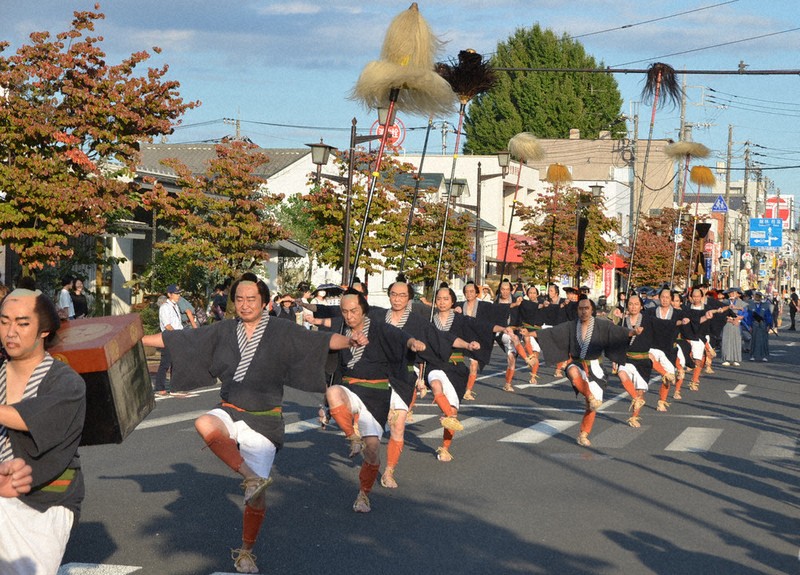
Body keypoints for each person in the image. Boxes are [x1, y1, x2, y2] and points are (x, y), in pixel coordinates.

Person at [142, 276, 363, 574]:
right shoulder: (224, 329)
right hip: (230, 409)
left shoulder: (281, 329)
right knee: (204, 422)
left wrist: (348, 340)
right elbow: (184, 339)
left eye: (251, 299)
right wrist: (137, 339)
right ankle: (250, 476)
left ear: (265, 302)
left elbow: (319, 342)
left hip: (265, 419)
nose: (245, 305)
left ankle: (246, 551)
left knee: (256, 500)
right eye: (239, 299)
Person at [0, 288, 87, 574]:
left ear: (44, 330)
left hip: (47, 502)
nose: (10, 332)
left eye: (22, 323)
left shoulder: (67, 383)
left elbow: (25, 418)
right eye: (4, 321)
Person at [324, 290, 425, 513]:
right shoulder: (340, 332)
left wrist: (412, 343)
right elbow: (332, 369)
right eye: (344, 311)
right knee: (332, 392)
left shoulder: (379, 328)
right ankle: (352, 438)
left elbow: (401, 337)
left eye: (354, 311)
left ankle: (363, 495)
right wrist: (326, 408)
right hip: (350, 388)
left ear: (364, 310)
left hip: (376, 395)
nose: (349, 316)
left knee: (371, 450)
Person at [537, 296, 638, 447]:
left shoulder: (602, 325)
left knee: (592, 407)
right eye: (581, 308)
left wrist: (633, 332)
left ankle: (583, 434)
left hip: (595, 366)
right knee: (573, 372)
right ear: (577, 310)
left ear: (592, 310)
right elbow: (553, 332)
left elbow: (617, 332)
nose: (583, 311)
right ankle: (589, 396)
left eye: (586, 308)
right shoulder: (571, 326)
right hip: (577, 362)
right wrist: (531, 334)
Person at [154, 284, 184, 397]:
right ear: (169, 294)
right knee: (165, 363)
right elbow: (167, 325)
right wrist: (176, 335)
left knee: (176, 363)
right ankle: (160, 387)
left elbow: (177, 323)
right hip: (169, 337)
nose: (178, 295)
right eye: (176, 294)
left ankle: (174, 387)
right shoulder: (165, 307)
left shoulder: (175, 306)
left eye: (179, 293)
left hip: (177, 336)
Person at [744, 291, 772, 362]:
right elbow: (749, 317)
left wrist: (769, 325)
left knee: (764, 340)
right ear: (754, 297)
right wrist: (749, 326)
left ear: (761, 298)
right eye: (756, 296)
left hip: (763, 324)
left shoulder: (765, 305)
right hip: (754, 324)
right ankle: (752, 355)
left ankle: (764, 356)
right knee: (753, 340)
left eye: (759, 297)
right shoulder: (750, 305)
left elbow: (768, 316)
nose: (757, 298)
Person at [721, 288, 746, 367]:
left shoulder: (742, 303)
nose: (731, 294)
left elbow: (745, 313)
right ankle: (726, 359)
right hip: (727, 322)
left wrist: (738, 318)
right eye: (729, 293)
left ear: (737, 294)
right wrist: (729, 319)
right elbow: (721, 313)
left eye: (733, 293)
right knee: (726, 340)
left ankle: (736, 359)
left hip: (737, 323)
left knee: (737, 340)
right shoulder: (724, 302)